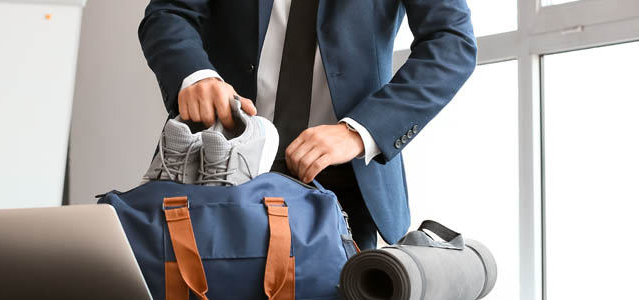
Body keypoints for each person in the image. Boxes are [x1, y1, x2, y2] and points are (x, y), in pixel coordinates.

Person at [139, 0, 476, 249]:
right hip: (213, 164)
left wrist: (361, 131)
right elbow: (170, 12)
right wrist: (195, 75)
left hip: (341, 185)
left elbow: (451, 42)